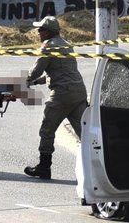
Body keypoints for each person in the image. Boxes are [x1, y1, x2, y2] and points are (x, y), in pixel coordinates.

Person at [23, 16, 88, 180]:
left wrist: (25, 81)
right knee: (86, 132)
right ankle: (95, 166)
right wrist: (37, 82)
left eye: (40, 30)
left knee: (47, 130)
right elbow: (60, 71)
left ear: (47, 32)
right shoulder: (66, 45)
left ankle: (44, 167)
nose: (38, 33)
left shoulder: (48, 47)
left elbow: (36, 70)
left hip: (62, 95)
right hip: (78, 92)